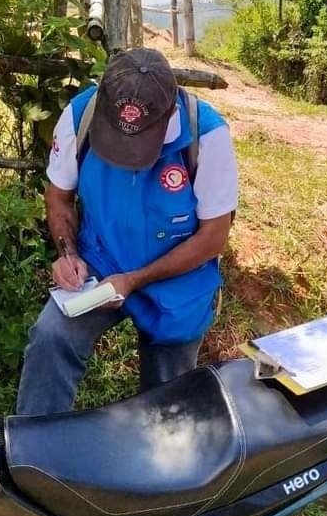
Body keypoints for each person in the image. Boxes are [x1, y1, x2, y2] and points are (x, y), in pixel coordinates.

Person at [15, 47, 238, 416]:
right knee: (51, 338)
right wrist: (68, 252)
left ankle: (157, 465)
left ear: (170, 111)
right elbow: (58, 198)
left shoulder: (207, 136)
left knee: (167, 408)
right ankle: (34, 455)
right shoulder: (79, 115)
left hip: (178, 276)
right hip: (100, 259)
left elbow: (214, 237)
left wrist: (134, 280)